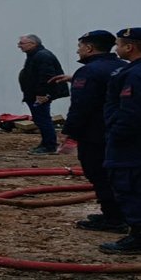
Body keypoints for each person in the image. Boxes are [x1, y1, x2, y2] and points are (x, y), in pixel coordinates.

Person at [50, 30, 127, 232]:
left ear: (89, 48)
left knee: (98, 174)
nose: (78, 50)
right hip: (118, 131)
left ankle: (113, 219)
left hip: (94, 134)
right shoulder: (122, 67)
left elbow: (81, 106)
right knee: (120, 174)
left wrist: (69, 132)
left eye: (80, 46)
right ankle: (123, 214)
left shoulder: (89, 72)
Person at [98, 27, 141, 254]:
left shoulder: (135, 75)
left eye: (118, 44)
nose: (116, 48)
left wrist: (116, 135)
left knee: (131, 187)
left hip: (132, 145)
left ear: (130, 47)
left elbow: (132, 113)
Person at [17, 34, 69, 154]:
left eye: (22, 43)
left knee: (43, 119)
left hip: (39, 95)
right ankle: (47, 143)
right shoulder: (35, 55)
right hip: (34, 94)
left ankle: (49, 145)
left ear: (33, 44)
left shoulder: (42, 56)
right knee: (40, 119)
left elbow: (46, 77)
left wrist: (42, 94)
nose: (19, 46)